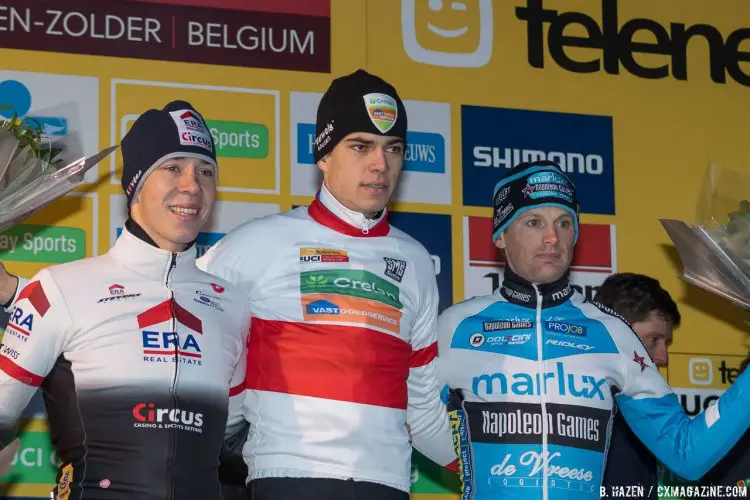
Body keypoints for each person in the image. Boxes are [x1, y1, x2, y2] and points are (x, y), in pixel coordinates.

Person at [198, 69, 458, 500]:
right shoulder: (257, 243)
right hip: (288, 476)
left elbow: (425, 407)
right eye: (360, 146)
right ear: (323, 154)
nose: (380, 164)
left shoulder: (414, 260)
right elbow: (190, 357)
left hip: (388, 483)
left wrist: (492, 476)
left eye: (393, 149)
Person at [436, 160, 750, 500]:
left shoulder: (611, 332)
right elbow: (411, 419)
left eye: (564, 223)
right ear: (500, 234)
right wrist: (476, 471)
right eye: (533, 222)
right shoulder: (457, 326)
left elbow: (687, 453)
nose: (552, 238)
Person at [0, 101, 250, 500]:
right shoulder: (59, 288)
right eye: (173, 168)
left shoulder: (232, 305)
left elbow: (233, 439)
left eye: (206, 172)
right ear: (135, 183)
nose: (192, 185)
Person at [596, 273, 682, 499]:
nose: (664, 357)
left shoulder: (644, 409)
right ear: (616, 330)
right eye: (653, 339)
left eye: (666, 342)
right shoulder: (583, 406)